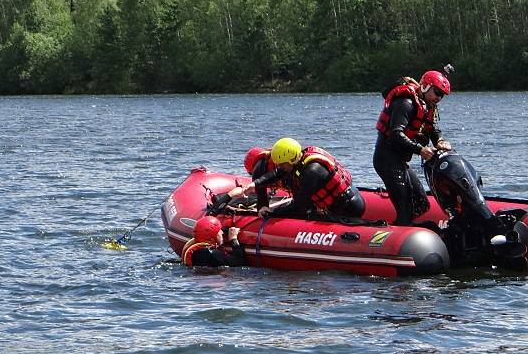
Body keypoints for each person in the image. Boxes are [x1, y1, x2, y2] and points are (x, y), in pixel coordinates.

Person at [373, 70, 453, 225]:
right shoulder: (405, 103)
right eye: (437, 92)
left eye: (442, 95)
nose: (439, 98)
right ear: (425, 86)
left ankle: (403, 227)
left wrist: (440, 141)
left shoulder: (428, 107)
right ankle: (398, 233)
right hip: (387, 159)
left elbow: (432, 129)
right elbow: (396, 134)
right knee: (405, 209)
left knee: (422, 204)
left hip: (401, 161)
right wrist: (420, 150)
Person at [227, 138, 365, 220]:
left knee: (305, 213)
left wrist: (272, 213)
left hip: (349, 208)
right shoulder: (299, 160)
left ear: (291, 159)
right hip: (338, 205)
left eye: (282, 164)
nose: (280, 167)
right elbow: (277, 173)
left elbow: (299, 206)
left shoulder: (312, 171)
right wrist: (255, 184)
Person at [181, 215, 246, 267]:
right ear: (212, 236)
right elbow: (238, 262)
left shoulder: (195, 249)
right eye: (219, 231)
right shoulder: (212, 253)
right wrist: (233, 239)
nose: (222, 233)